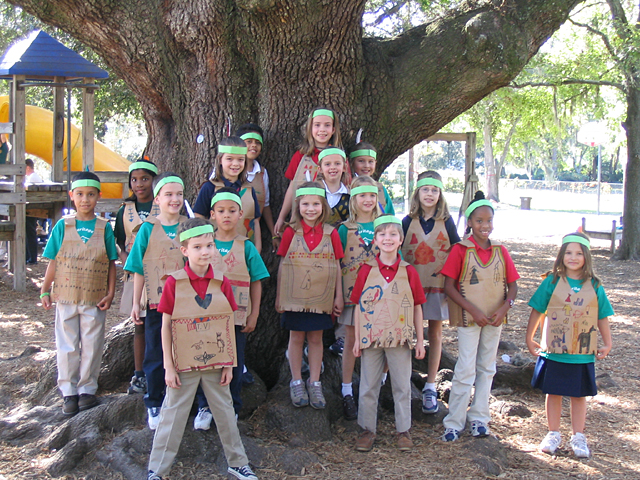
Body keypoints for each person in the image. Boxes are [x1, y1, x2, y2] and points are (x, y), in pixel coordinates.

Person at [147, 218, 258, 480]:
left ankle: (237, 463)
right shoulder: (174, 283)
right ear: (184, 250)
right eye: (197, 247)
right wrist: (169, 366)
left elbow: (227, 324)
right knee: (172, 415)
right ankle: (157, 469)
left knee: (226, 412)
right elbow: (165, 327)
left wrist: (229, 363)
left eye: (209, 245)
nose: (205, 251)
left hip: (215, 363)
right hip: (182, 364)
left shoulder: (222, 282)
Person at [440, 191, 519, 442]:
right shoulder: (460, 250)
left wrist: (505, 308)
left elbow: (513, 285)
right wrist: (473, 310)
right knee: (465, 367)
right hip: (469, 320)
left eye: (489, 220)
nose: (485, 225)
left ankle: (480, 419)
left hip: (494, 319)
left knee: (487, 367)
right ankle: (454, 422)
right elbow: (449, 287)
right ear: (470, 223)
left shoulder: (500, 251)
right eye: (479, 221)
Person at [526, 232, 613, 458]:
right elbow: (537, 309)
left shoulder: (594, 285)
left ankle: (578, 435)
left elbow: (602, 315)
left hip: (581, 354)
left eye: (578, 253)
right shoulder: (552, 282)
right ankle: (553, 433)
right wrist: (530, 337)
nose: (573, 258)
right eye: (568, 253)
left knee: (578, 395)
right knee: (553, 392)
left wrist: (607, 342)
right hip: (554, 352)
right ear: (561, 255)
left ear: (586, 257)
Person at [39, 172, 118, 416]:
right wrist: (44, 289)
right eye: (80, 194)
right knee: (67, 345)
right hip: (66, 296)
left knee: (92, 344)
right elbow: (53, 261)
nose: (85, 200)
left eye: (91, 195)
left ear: (98, 196)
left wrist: (111, 293)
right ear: (72, 196)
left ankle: (87, 390)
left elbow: (111, 262)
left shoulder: (104, 228)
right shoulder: (63, 226)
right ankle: (68, 391)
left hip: (95, 298)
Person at [193, 188, 270, 430]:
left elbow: (256, 281)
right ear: (212, 214)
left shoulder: (246, 247)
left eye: (232, 211)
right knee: (206, 361)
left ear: (240, 214)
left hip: (236, 318)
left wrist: (254, 314)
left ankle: (231, 407)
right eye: (221, 211)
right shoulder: (204, 245)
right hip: (205, 317)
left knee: (234, 363)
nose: (226, 215)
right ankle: (205, 406)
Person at [351, 215, 426, 452]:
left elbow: (417, 306)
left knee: (402, 385)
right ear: (375, 240)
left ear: (401, 239)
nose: (387, 239)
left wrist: (420, 340)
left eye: (393, 234)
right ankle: (367, 429)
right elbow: (358, 306)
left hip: (400, 338)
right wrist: (356, 339)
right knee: (368, 385)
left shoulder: (408, 271)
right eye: (382, 234)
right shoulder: (366, 270)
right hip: (371, 337)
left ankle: (403, 430)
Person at [124, 172, 188, 430]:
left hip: (187, 303)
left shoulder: (189, 226)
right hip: (156, 304)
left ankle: (182, 401)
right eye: (169, 194)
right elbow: (138, 267)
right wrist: (136, 301)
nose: (175, 199)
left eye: (179, 194)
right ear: (158, 199)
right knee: (156, 351)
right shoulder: (148, 229)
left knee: (184, 351)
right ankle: (154, 400)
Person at [276, 181, 344, 409]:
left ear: (323, 206)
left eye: (316, 204)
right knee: (296, 337)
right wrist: (279, 296)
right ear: (298, 206)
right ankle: (296, 381)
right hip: (294, 297)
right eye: (305, 204)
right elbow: (283, 264)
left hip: (321, 297)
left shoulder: (331, 233)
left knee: (316, 339)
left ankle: (314, 382)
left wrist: (338, 296)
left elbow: (337, 265)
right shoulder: (290, 232)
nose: (311, 209)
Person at [401, 171, 461, 414]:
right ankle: (399, 378)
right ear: (417, 193)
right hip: (410, 289)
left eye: (434, 190)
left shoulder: (446, 221)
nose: (429, 194)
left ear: (440, 194)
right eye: (425, 189)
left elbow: (456, 250)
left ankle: (430, 385)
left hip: (437, 286)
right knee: (405, 333)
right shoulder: (407, 222)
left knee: (435, 333)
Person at [336, 175, 382, 420]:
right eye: (362, 195)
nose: (368, 200)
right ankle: (346, 391)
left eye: (372, 195)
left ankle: (374, 390)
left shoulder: (384, 226)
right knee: (351, 340)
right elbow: (337, 263)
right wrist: (337, 295)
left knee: (376, 341)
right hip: (351, 295)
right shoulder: (345, 229)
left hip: (380, 296)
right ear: (353, 199)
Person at [114, 157, 160, 395]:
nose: (139, 184)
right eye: (134, 179)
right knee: (140, 325)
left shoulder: (162, 205)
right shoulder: (125, 210)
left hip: (161, 273)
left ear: (154, 181)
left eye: (145, 179)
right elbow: (119, 241)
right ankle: (140, 373)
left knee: (161, 324)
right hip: (136, 275)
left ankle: (161, 371)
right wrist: (126, 260)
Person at [274, 107, 343, 236]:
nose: (322, 129)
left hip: (330, 224)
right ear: (310, 128)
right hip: (302, 220)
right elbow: (292, 187)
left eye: (327, 125)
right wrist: (282, 217)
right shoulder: (300, 156)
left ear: (333, 129)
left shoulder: (339, 157)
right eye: (317, 125)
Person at [193, 136, 262, 251]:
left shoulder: (249, 190)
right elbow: (199, 216)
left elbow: (255, 221)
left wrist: (257, 249)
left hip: (243, 250)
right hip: (213, 251)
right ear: (220, 160)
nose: (235, 164)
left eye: (240, 159)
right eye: (229, 159)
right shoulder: (209, 187)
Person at [236, 123, 278, 252]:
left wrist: (273, 234)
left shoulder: (262, 174)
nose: (254, 145)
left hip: (252, 233)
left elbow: (265, 205)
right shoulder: (226, 171)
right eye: (249, 141)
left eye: (257, 142)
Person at [348, 142, 395, 214]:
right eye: (361, 161)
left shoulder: (380, 190)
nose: (366, 165)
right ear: (352, 163)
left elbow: (390, 215)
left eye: (370, 161)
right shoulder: (346, 189)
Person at [317, 147, 350, 226]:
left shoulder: (350, 195)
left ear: (344, 168)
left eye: (337, 163)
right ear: (320, 169)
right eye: (327, 164)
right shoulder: (314, 193)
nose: (332, 167)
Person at [25, 158, 44, 264]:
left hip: (32, 208)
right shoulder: (32, 177)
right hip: (31, 207)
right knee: (29, 232)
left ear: (27, 167)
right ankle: (29, 256)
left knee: (30, 232)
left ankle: (32, 257)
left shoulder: (33, 177)